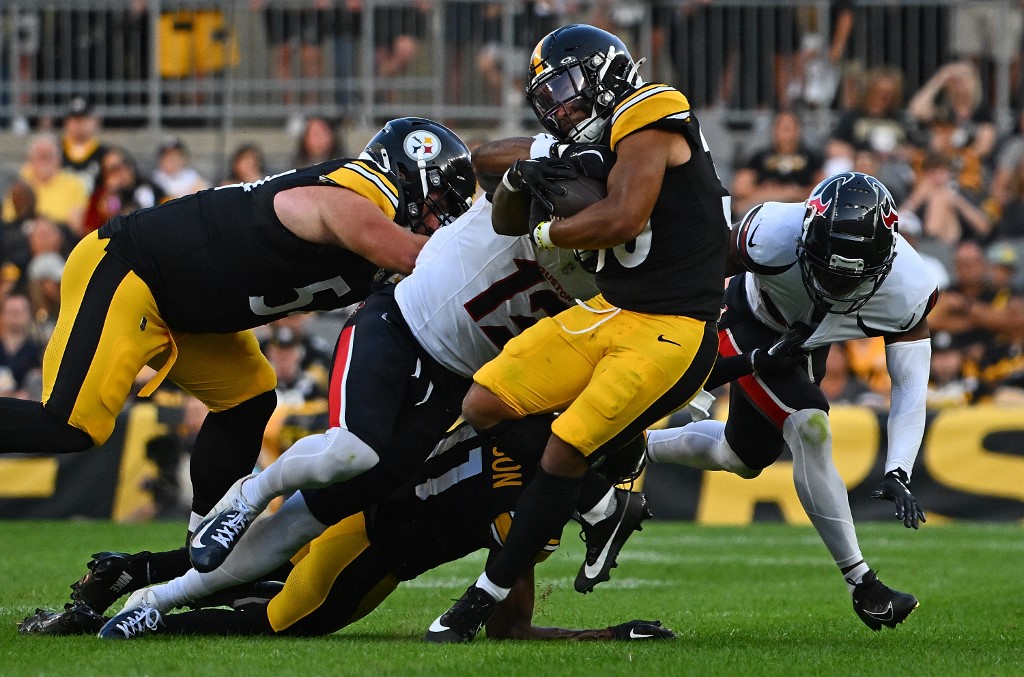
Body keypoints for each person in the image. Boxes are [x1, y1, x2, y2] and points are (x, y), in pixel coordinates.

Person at [0, 117, 475, 547]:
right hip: (131, 270)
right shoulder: (358, 190)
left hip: (188, 310)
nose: (441, 221)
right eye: (439, 204)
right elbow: (413, 256)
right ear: (408, 176)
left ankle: (202, 543)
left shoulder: (381, 227)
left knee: (248, 399)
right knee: (72, 424)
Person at [424, 23, 730, 643]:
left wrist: (546, 233)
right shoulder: (587, 143)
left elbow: (623, 217)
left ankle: (479, 602)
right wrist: (528, 172)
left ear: (606, 75)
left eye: (564, 89)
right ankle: (604, 504)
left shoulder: (652, 107)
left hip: (670, 327)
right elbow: (488, 171)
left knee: (563, 448)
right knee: (484, 402)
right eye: (546, 98)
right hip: (612, 310)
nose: (558, 107)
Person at [184, 139, 605, 576]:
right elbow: (473, 178)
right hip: (400, 325)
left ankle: (161, 596)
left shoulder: (605, 277)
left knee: (322, 509)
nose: (443, 215)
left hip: (454, 378)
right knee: (350, 450)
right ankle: (249, 495)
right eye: (440, 200)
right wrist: (545, 157)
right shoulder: (378, 208)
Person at [640, 172, 937, 631]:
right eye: (828, 270)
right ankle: (863, 584)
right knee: (809, 425)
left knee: (741, 457)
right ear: (805, 238)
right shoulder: (770, 232)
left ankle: (632, 446)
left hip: (804, 345)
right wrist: (689, 341)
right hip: (747, 317)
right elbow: (701, 266)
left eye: (849, 278)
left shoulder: (909, 288)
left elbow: (910, 385)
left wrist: (899, 468)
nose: (836, 285)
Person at [730, 110, 825, 218]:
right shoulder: (759, 157)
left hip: (799, 209)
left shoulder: (811, 158)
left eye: (789, 127)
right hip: (765, 208)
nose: (786, 132)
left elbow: (822, 190)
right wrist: (777, 193)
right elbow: (740, 189)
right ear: (774, 130)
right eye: (782, 127)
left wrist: (794, 193)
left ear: (798, 130)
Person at [60, 96, 108, 194]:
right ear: (66, 123)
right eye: (74, 119)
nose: (79, 123)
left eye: (84, 118)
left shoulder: (106, 154)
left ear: (95, 121)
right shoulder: (55, 152)